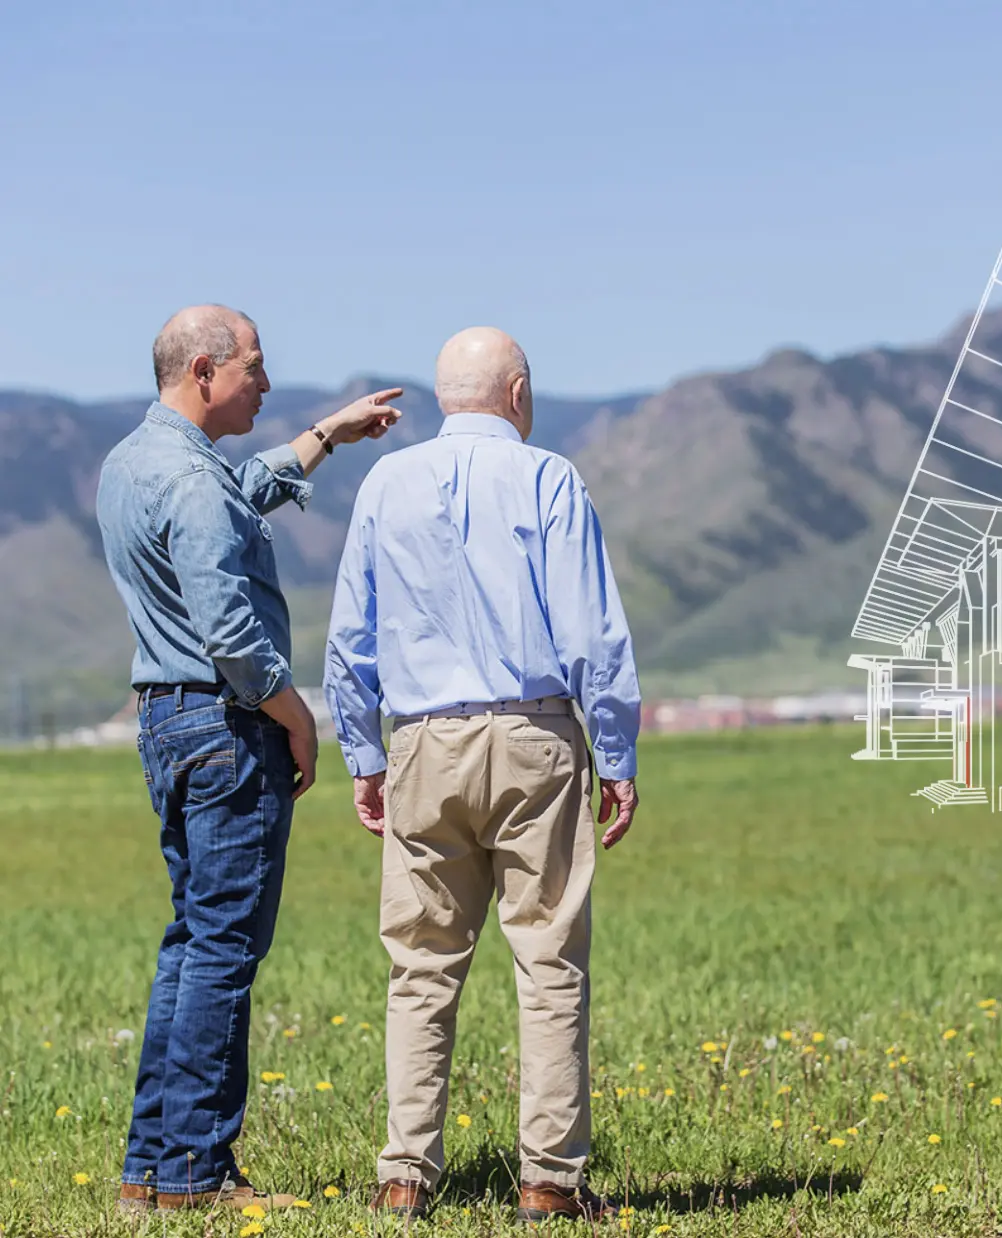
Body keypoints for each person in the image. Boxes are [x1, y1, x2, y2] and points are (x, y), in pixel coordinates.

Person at [323, 326, 640, 1223]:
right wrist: (614, 754)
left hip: (423, 739)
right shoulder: (550, 478)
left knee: (419, 968)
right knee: (548, 964)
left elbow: (351, 637)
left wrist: (365, 753)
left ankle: (403, 1177)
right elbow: (593, 636)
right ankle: (549, 1180)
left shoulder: (387, 482)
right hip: (536, 738)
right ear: (519, 393)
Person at [95, 304, 402, 1214]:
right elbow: (230, 629)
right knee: (224, 950)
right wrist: (296, 716)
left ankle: (150, 1168)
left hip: (169, 723)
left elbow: (237, 496)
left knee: (191, 944)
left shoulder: (135, 465)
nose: (265, 384)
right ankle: (196, 1171)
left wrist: (326, 436)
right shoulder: (190, 483)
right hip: (229, 725)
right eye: (254, 369)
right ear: (203, 370)